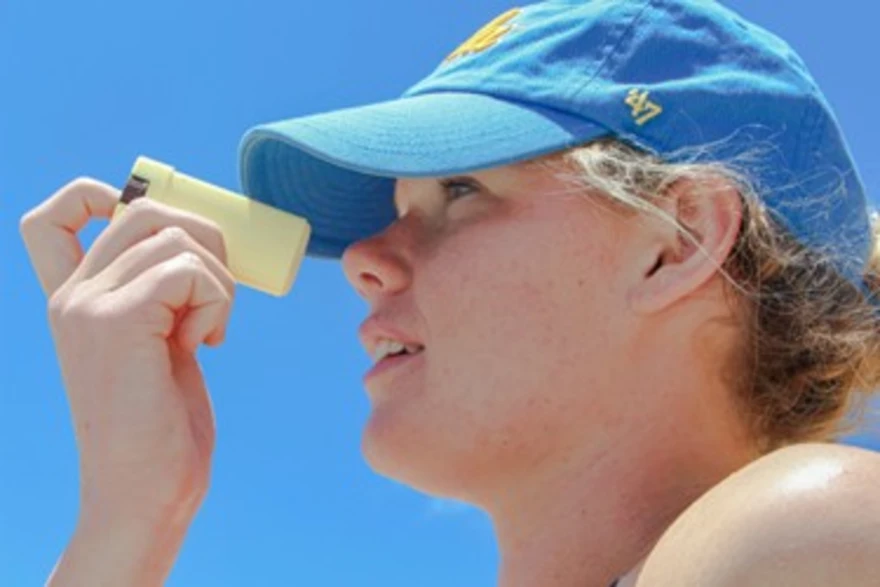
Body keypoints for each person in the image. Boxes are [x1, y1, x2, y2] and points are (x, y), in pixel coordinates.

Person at [19, 1, 880, 585]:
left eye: (460, 191)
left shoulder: (809, 531)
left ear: (678, 242)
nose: (363, 259)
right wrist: (129, 511)